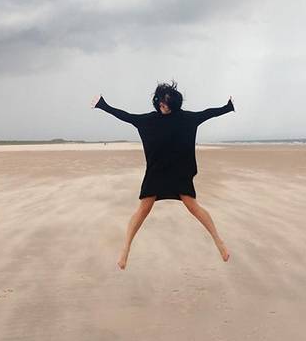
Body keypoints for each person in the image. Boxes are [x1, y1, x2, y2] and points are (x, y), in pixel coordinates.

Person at [91, 81, 235, 270]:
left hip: (179, 172)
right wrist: (103, 105)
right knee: (143, 210)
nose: (162, 105)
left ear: (174, 102)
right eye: (159, 101)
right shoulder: (149, 120)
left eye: (165, 102)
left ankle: (219, 242)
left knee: (193, 206)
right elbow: (125, 116)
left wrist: (227, 107)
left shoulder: (186, 119)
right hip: (157, 172)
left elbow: (208, 113)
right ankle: (125, 250)